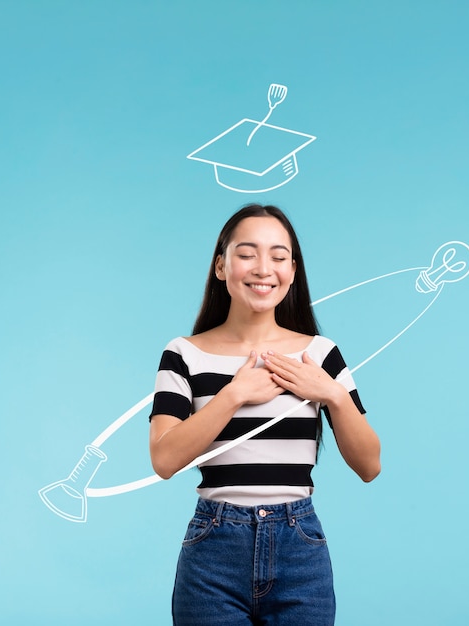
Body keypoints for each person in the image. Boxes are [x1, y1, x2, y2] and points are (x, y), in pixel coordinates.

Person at [149, 204, 381, 625]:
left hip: (300, 546)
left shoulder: (319, 355)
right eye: (247, 253)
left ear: (292, 271)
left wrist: (333, 395)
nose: (263, 268)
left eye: (278, 256)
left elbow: (369, 465)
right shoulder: (183, 353)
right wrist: (233, 394)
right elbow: (164, 460)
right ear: (221, 266)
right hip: (213, 551)